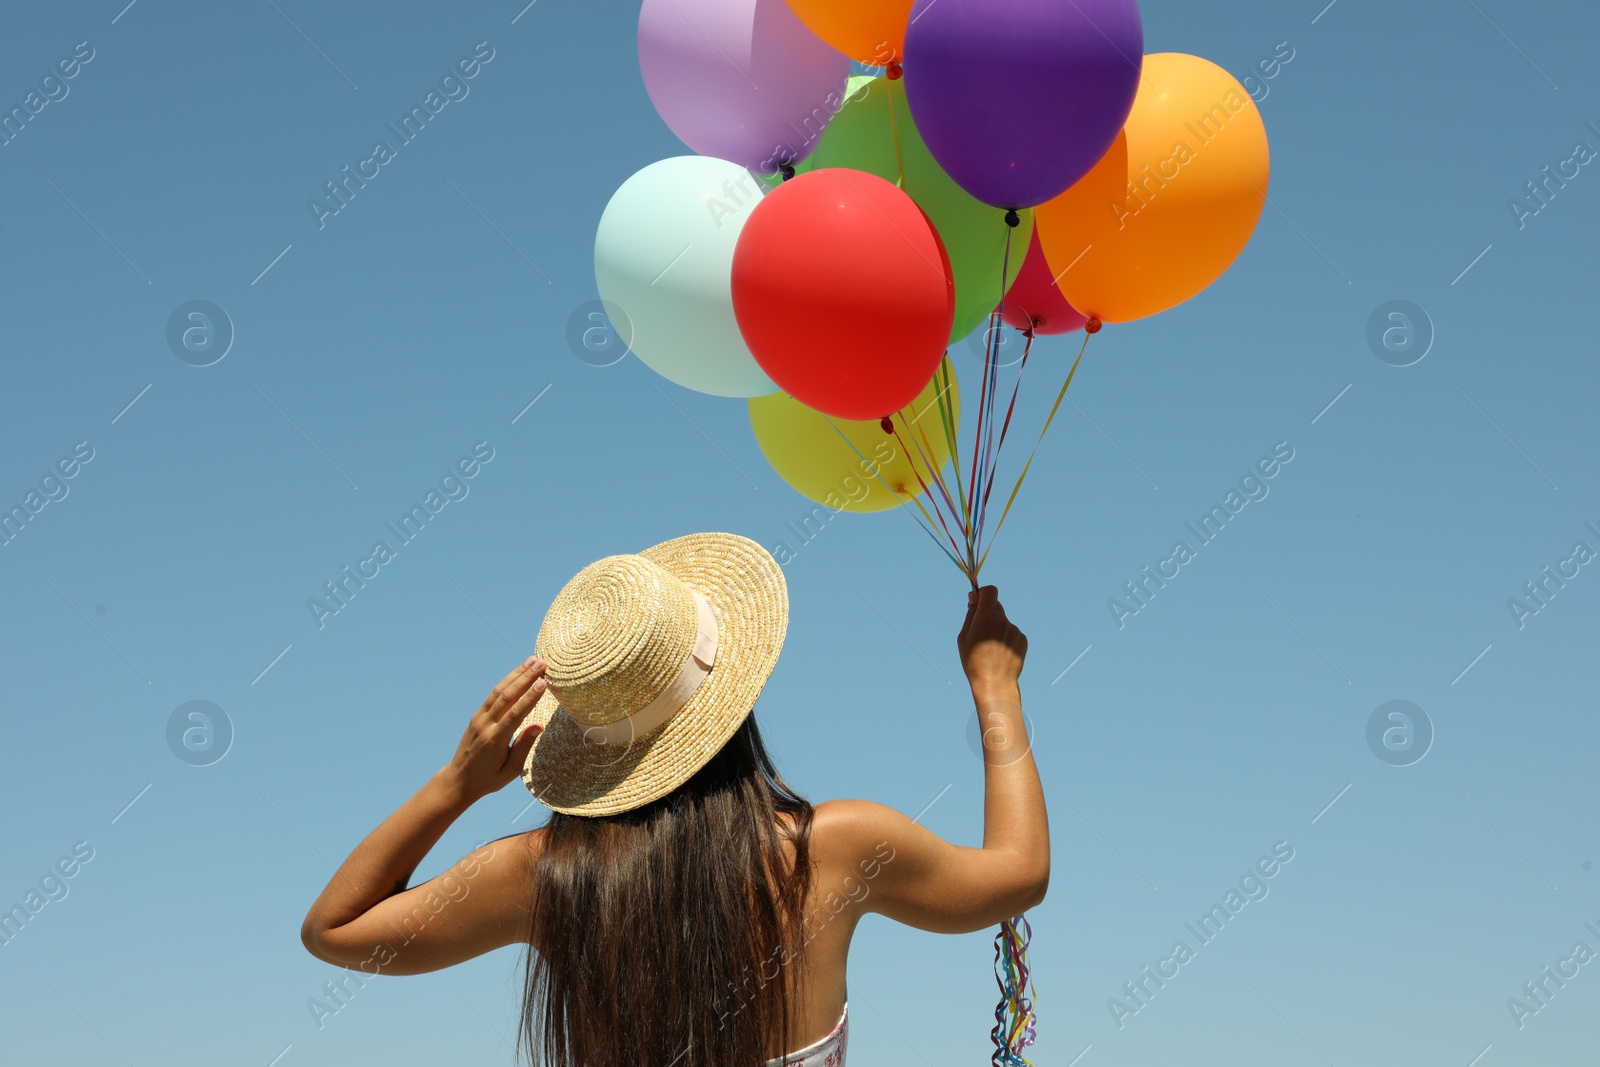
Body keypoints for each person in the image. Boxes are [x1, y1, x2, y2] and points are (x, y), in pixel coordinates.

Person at [301, 532, 1048, 1066]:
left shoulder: (541, 876)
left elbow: (335, 928)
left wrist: (454, 784)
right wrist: (994, 686)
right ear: (730, 698)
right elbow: (1019, 870)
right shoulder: (832, 848)